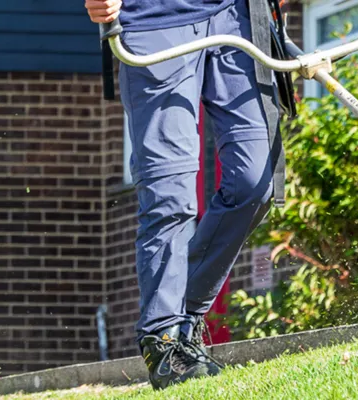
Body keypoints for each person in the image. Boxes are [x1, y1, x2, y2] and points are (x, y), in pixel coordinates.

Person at [86, 0, 283, 390]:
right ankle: (163, 340)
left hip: (235, 16)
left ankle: (182, 313)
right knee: (169, 193)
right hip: (153, 22)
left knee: (255, 179)